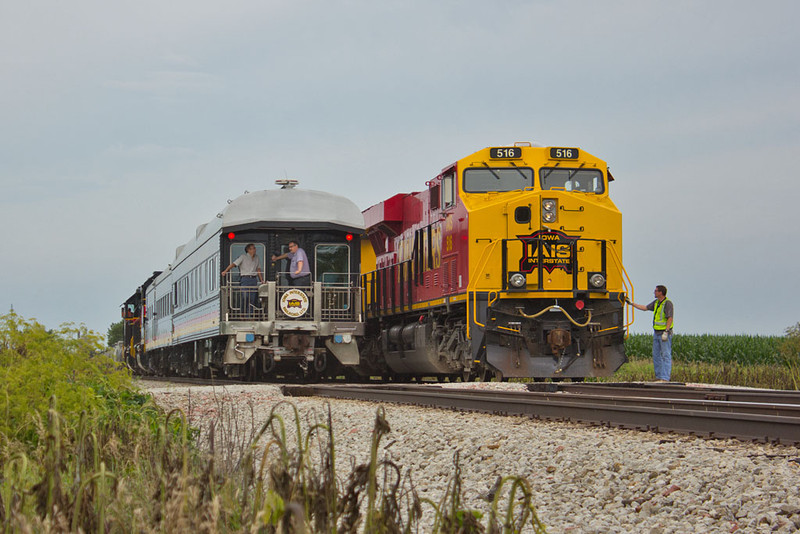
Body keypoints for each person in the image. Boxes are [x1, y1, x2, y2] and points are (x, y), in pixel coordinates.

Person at [628, 285, 674, 382]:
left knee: (666, 355)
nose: (654, 292)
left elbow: (670, 318)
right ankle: (659, 376)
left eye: (656, 291)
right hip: (656, 332)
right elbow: (645, 308)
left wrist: (666, 331)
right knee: (656, 355)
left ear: (661, 292)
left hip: (664, 333)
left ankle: (665, 378)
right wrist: (632, 303)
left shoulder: (667, 303)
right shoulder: (657, 302)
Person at [221, 244, 264, 315]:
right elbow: (234, 264)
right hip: (245, 278)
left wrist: (261, 280)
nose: (254, 250)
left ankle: (250, 315)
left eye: (254, 248)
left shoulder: (257, 257)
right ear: (248, 250)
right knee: (245, 296)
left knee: (252, 298)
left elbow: (258, 270)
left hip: (253, 279)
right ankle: (242, 313)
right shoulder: (243, 257)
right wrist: (225, 271)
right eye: (252, 248)